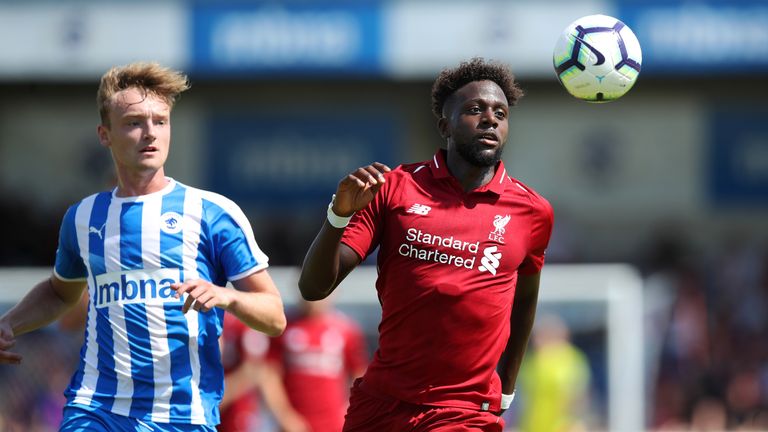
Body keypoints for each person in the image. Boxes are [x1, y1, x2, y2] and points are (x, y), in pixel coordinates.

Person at [0, 62, 287, 431]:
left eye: (161, 121)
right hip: (95, 408)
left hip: (182, 414)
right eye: (135, 122)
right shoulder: (83, 217)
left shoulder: (212, 212)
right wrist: (10, 323)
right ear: (105, 135)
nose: (150, 133)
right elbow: (60, 293)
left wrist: (225, 296)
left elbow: (275, 315)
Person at [298, 57, 554, 431]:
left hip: (464, 411)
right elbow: (314, 287)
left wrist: (508, 387)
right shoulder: (394, 188)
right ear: (443, 125)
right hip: (383, 405)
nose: (490, 119)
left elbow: (525, 301)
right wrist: (338, 216)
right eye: (474, 109)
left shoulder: (532, 211)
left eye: (500, 113)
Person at [262, 297, 369, 432]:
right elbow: (269, 377)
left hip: (334, 424)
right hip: (294, 425)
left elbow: (360, 376)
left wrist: (348, 411)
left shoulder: (346, 329)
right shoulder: (283, 328)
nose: (316, 299)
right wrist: (285, 416)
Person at [516, 314, 592, 432]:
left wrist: (576, 422)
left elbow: (579, 398)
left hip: (562, 427)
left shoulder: (570, 359)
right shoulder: (531, 362)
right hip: (533, 427)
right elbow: (523, 399)